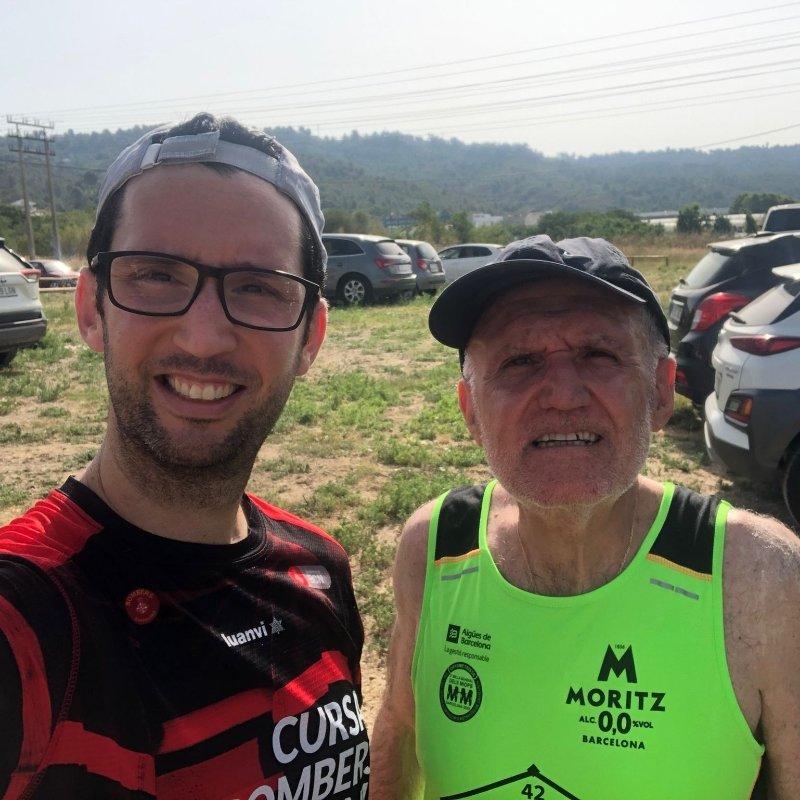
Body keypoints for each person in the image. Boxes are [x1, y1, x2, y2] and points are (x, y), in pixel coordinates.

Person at [0, 113, 369, 800]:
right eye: (156, 275)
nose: (203, 338)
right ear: (91, 309)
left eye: (258, 286)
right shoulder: (23, 621)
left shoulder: (320, 569)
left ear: (310, 337)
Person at [370, 235, 800, 799]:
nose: (563, 395)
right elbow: (398, 730)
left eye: (598, 355)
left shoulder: (759, 576)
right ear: (471, 410)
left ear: (660, 392)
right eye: (519, 361)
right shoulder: (435, 545)